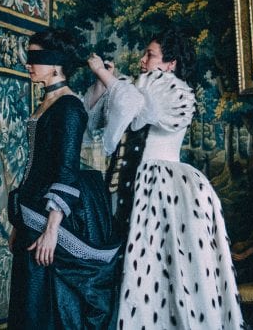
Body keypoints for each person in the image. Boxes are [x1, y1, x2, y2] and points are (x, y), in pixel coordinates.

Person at [87, 29, 244, 329]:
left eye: (151, 55)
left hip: (162, 187)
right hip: (130, 185)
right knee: (129, 268)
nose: (143, 59)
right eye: (145, 53)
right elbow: (103, 120)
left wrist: (110, 80)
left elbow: (140, 111)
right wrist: (104, 81)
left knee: (163, 271)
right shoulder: (136, 86)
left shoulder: (175, 91)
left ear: (170, 63)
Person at [7, 29, 120, 329]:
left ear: (56, 64)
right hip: (30, 215)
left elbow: (66, 170)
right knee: (27, 301)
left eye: (36, 58)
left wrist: (52, 230)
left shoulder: (69, 107)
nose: (29, 65)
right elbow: (35, 166)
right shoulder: (48, 103)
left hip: (54, 218)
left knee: (46, 304)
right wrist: (18, 223)